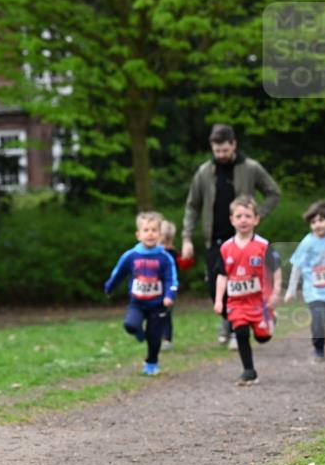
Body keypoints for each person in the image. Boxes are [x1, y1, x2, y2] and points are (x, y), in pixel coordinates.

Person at [180, 124, 280, 348]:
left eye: (225, 150)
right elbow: (192, 206)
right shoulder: (204, 172)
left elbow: (273, 192)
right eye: (217, 151)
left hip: (241, 239)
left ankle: (239, 326)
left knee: (242, 283)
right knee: (214, 286)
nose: (221, 155)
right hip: (214, 239)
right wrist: (186, 237)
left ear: (234, 144)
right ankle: (230, 320)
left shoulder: (251, 168)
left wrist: (258, 215)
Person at [215, 196, 282, 386]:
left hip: (259, 302)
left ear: (256, 219)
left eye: (247, 215)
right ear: (232, 220)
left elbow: (276, 269)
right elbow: (222, 275)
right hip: (236, 303)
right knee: (241, 332)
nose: (243, 220)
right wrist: (219, 300)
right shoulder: (226, 248)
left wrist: (275, 292)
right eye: (239, 216)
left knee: (263, 338)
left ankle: (271, 320)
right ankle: (249, 371)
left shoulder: (263, 245)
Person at [104, 211, 178, 376]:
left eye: (154, 230)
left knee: (154, 337)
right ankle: (138, 332)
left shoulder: (165, 258)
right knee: (130, 325)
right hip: (137, 302)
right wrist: (109, 288)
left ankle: (151, 363)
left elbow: (171, 279)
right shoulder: (131, 255)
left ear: (159, 235)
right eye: (146, 230)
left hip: (157, 304)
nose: (150, 234)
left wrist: (169, 295)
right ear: (138, 234)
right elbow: (119, 273)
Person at [284, 200, 325, 362]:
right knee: (318, 320)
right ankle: (319, 349)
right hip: (314, 291)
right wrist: (291, 290)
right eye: (313, 222)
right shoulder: (307, 243)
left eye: (321, 220)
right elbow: (296, 267)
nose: (317, 225)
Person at [158, 220, 193, 351]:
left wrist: (188, 257)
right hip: (156, 288)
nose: (166, 245)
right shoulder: (153, 254)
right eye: (163, 242)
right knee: (156, 314)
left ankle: (167, 339)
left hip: (170, 288)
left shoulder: (173, 253)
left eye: (168, 242)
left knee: (166, 313)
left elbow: (183, 265)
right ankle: (156, 336)